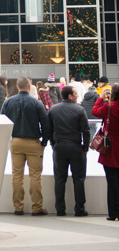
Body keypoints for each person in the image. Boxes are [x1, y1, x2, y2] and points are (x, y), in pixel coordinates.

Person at [1, 76, 51, 216]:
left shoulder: (8, 102)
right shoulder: (36, 103)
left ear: (17, 87)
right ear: (29, 87)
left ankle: (18, 207)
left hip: (15, 141)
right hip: (33, 141)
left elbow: (2, 121)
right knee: (35, 176)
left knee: (17, 175)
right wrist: (44, 142)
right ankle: (36, 208)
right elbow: (45, 124)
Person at [48, 85, 90, 217]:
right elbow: (86, 131)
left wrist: (53, 144)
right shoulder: (79, 109)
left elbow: (49, 129)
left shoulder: (53, 109)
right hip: (76, 147)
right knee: (78, 179)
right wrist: (86, 147)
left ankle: (60, 209)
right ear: (70, 96)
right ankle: (79, 208)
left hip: (59, 147)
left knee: (60, 179)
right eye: (76, 93)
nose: (77, 95)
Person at [92, 84, 119, 221]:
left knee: (112, 182)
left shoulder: (109, 107)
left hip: (111, 149)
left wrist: (101, 98)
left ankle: (113, 212)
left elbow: (95, 111)